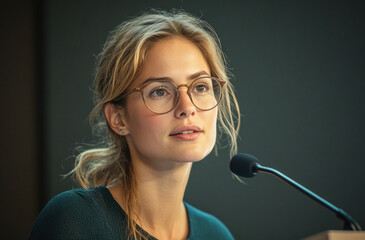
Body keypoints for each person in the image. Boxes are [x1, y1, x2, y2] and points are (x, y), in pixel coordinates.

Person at [29, 9, 240, 240]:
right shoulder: (72, 220)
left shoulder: (217, 235)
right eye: (159, 91)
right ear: (118, 118)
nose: (187, 107)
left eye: (200, 87)